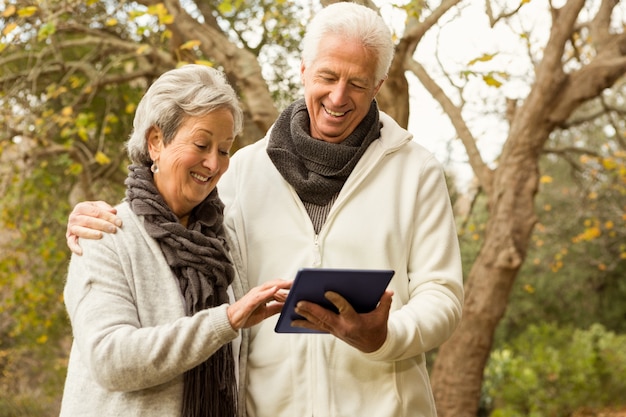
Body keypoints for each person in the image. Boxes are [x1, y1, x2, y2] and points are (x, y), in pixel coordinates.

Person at [66, 3, 464, 417]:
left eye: (358, 84)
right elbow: (164, 211)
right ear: (303, 70)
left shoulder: (415, 171)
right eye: (327, 77)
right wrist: (96, 218)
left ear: (380, 84)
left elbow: (443, 295)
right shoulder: (243, 170)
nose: (338, 96)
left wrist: (384, 338)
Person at [59, 64, 290, 417]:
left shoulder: (222, 243)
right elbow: (110, 358)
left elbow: (238, 369)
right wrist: (223, 322)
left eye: (225, 149)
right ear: (156, 142)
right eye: (201, 144)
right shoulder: (105, 235)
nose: (213, 163)